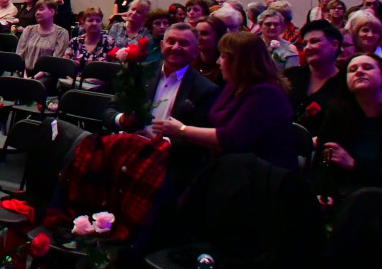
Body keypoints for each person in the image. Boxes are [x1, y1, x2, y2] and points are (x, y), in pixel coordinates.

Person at [152, 31, 299, 171]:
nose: (218, 62)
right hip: (233, 166)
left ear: (238, 61)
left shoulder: (266, 94)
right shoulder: (234, 85)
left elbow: (231, 139)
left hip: (262, 177)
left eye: (222, 56)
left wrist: (182, 130)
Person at [105, 23, 221, 186]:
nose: (175, 47)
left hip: (170, 166)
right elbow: (109, 109)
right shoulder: (140, 73)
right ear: (161, 45)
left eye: (184, 44)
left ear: (196, 51)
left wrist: (159, 144)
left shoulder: (206, 90)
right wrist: (121, 119)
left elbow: (200, 144)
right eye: (171, 41)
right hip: (128, 151)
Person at [313, 54, 382, 200]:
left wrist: (354, 165)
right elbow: (323, 162)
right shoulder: (337, 114)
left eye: (368, 67)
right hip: (343, 195)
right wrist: (325, 193)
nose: (359, 71)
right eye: (352, 69)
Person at [284, 20, 345, 137]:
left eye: (314, 41)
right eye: (305, 43)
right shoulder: (289, 77)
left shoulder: (346, 83)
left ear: (334, 45)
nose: (307, 48)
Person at [15, 0, 71, 73]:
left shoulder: (61, 33)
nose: (37, 13)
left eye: (41, 9)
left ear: (52, 12)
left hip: (47, 75)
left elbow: (56, 61)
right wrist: (23, 73)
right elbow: (19, 54)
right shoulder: (29, 30)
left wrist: (37, 76)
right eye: (36, 10)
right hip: (24, 72)